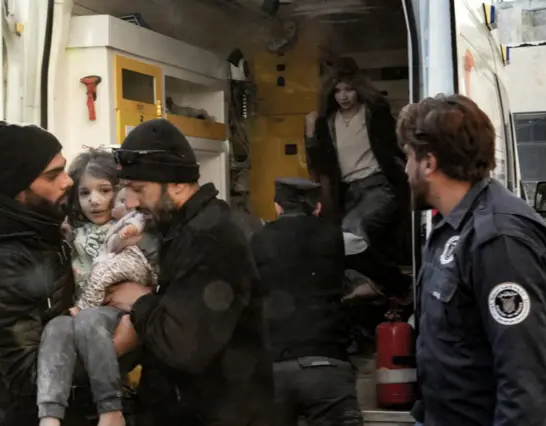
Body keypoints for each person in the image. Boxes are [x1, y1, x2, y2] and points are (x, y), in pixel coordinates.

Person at [397, 94, 546, 426]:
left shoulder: (499, 240)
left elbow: (524, 381)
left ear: (428, 163)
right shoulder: (451, 228)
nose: (405, 169)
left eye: (408, 157)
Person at [104, 118, 274, 426]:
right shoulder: (182, 230)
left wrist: (139, 300)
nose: (129, 202)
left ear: (178, 183)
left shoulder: (209, 237)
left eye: (138, 189)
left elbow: (183, 347)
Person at [0, 121, 93, 426]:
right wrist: (120, 341)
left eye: (64, 169)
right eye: (53, 176)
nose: (67, 182)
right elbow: (28, 378)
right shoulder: (1, 264)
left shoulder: (41, 232)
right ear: (19, 190)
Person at [36, 149, 158, 426]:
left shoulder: (128, 231)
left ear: (119, 191)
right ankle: (50, 414)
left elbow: (123, 269)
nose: (95, 201)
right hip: (81, 314)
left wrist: (87, 305)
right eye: (85, 193)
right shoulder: (73, 233)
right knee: (56, 327)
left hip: (110, 313)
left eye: (104, 190)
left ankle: (110, 409)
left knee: (89, 320)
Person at [250, 177, 363, 426]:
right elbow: (384, 273)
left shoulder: (254, 243)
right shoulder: (339, 239)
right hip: (327, 367)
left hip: (273, 369)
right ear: (317, 207)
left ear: (277, 207)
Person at [304, 69, 410, 264]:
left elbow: (395, 145)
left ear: (359, 90)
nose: (343, 96)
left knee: (353, 228)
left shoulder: (373, 114)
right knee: (350, 235)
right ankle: (375, 282)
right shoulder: (327, 122)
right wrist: (310, 135)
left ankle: (367, 282)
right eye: (338, 91)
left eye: (349, 90)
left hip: (378, 185)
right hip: (348, 191)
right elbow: (319, 162)